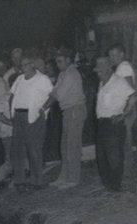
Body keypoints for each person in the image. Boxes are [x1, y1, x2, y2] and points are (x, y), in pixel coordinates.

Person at [43, 48, 86, 188]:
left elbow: (57, 95)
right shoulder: (63, 73)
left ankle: (74, 178)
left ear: (68, 60)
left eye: (60, 61)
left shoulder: (72, 74)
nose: (58, 64)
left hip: (74, 110)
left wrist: (42, 108)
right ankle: (64, 177)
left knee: (72, 146)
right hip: (67, 111)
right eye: (56, 61)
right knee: (64, 146)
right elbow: (53, 91)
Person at [9, 54, 53, 187]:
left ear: (33, 64)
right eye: (22, 65)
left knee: (34, 149)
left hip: (33, 117)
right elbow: (12, 94)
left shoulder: (42, 79)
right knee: (17, 149)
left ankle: (37, 181)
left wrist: (42, 109)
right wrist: (12, 110)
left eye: (27, 64)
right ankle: (19, 179)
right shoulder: (20, 79)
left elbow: (53, 96)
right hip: (19, 116)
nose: (24, 68)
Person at [95, 58, 137, 191]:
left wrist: (123, 114)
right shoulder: (102, 83)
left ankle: (115, 186)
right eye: (97, 71)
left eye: (101, 70)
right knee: (102, 155)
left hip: (114, 123)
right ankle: (108, 185)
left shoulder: (118, 81)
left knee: (114, 156)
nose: (98, 73)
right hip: (102, 122)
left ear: (109, 69)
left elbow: (133, 96)